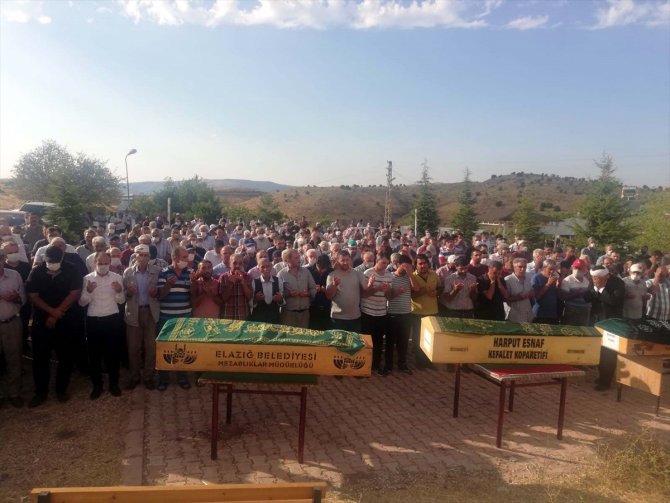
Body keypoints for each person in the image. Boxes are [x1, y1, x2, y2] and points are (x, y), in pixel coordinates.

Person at [26, 245, 83, 407]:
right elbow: (32, 295)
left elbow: (75, 292)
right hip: (41, 321)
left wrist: (59, 312)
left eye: (56, 261)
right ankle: (40, 392)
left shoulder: (71, 269)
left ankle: (61, 390)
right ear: (45, 258)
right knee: (40, 358)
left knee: (65, 356)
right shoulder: (36, 272)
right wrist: (52, 312)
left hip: (66, 320)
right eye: (50, 261)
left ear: (62, 258)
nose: (53, 263)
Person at [79, 251, 126, 399]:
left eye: (106, 263)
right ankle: (97, 386)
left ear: (110, 263)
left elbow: (121, 301)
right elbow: (82, 303)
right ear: (95, 263)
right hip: (94, 320)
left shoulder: (117, 278)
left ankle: (114, 384)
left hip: (112, 319)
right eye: (100, 263)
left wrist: (119, 291)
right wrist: (88, 291)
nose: (103, 266)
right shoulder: (87, 279)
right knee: (94, 356)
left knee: (113, 354)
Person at [123, 244, 161, 390]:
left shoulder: (157, 271)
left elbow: (161, 292)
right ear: (135, 256)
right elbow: (122, 296)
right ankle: (134, 376)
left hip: (150, 312)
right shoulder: (128, 273)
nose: (143, 258)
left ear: (150, 257)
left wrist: (156, 292)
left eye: (146, 255)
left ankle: (148, 376)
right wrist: (129, 293)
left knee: (151, 347)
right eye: (140, 255)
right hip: (133, 312)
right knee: (133, 348)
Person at [156, 246, 194, 391]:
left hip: (184, 316)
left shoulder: (190, 273)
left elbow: (193, 295)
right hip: (166, 317)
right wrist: (168, 285)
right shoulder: (164, 273)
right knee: (164, 348)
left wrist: (193, 286)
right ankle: (163, 378)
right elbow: (160, 296)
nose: (187, 260)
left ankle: (182, 376)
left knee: (182, 347)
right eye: (184, 257)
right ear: (175, 258)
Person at [590, 266, 625, 391]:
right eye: (593, 278)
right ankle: (602, 376)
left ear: (605, 277)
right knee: (599, 351)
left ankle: (606, 381)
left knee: (608, 353)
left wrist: (601, 288)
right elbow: (588, 297)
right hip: (598, 322)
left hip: (612, 324)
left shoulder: (618, 283)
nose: (594, 280)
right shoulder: (594, 281)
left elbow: (614, 301)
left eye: (597, 278)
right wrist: (595, 289)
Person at [0, 248, 26, 408]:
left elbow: (23, 299)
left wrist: (15, 297)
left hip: (12, 323)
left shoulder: (14, 275)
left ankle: (14, 393)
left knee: (14, 359)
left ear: (3, 259)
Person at [361, 255, 394, 374]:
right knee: (367, 340)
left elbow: (389, 297)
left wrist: (388, 290)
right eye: (383, 263)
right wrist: (377, 288)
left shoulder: (389, 275)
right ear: (377, 261)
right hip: (367, 312)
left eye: (387, 263)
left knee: (379, 341)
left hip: (381, 312)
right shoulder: (368, 273)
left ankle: (376, 365)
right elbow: (363, 294)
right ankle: (365, 365)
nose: (385, 265)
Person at [409, 254, 440, 368]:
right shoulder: (412, 277)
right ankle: (420, 361)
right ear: (416, 265)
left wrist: (436, 292)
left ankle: (429, 361)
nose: (423, 265)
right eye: (420, 263)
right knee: (418, 339)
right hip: (417, 312)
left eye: (424, 263)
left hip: (432, 311)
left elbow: (440, 288)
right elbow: (412, 296)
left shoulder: (434, 275)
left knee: (431, 338)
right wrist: (424, 290)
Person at [325, 250, 367, 333]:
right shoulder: (332, 275)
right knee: (339, 344)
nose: (345, 262)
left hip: (355, 317)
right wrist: (334, 285)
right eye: (342, 260)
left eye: (347, 260)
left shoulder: (358, 273)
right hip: (338, 318)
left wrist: (371, 285)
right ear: (337, 261)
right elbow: (329, 296)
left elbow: (366, 289)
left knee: (354, 344)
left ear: (350, 260)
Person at [386, 254, 414, 375]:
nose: (407, 268)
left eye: (409, 266)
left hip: (406, 314)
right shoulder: (390, 277)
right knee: (390, 342)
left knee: (403, 342)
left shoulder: (409, 277)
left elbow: (417, 289)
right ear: (397, 265)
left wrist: (411, 274)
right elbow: (388, 296)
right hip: (392, 314)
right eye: (405, 266)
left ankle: (402, 364)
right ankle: (388, 365)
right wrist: (397, 292)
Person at [278, 249, 315, 328]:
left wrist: (308, 293)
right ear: (288, 260)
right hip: (289, 314)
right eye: (296, 258)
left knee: (304, 338)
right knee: (290, 338)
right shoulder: (281, 274)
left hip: (305, 313)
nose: (299, 260)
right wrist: (289, 294)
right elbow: (279, 294)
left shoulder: (306, 271)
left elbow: (313, 288)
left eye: (299, 257)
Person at [249, 258, 283, 324]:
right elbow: (250, 303)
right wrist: (256, 299)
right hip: (258, 318)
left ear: (271, 267)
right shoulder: (254, 282)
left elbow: (282, 301)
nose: (266, 269)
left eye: (268, 266)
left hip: (274, 317)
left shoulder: (278, 281)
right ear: (258, 269)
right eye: (262, 267)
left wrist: (280, 299)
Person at [220, 253, 252, 320]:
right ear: (229, 264)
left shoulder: (247, 276)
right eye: (234, 263)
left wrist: (243, 282)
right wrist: (230, 284)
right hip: (228, 316)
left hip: (243, 315)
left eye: (240, 263)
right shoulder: (224, 277)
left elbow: (249, 297)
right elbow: (223, 299)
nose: (237, 266)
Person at [307, 254, 333, 331]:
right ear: (316, 264)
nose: (322, 271)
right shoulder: (308, 271)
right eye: (320, 269)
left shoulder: (332, 271)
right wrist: (313, 288)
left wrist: (324, 289)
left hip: (327, 306)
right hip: (312, 306)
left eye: (324, 269)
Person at [504, 257, 534, 323]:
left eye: (524, 267)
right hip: (514, 315)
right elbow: (505, 299)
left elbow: (531, 291)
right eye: (520, 267)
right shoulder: (508, 280)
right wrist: (519, 297)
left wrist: (531, 293)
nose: (522, 269)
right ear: (514, 267)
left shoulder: (528, 278)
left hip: (527, 313)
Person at [531, 259, 560, 324]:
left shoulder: (554, 278)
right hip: (540, 314)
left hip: (552, 314)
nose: (552, 272)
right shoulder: (536, 278)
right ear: (544, 268)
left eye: (554, 269)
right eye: (550, 269)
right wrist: (548, 284)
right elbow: (536, 297)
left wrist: (558, 285)